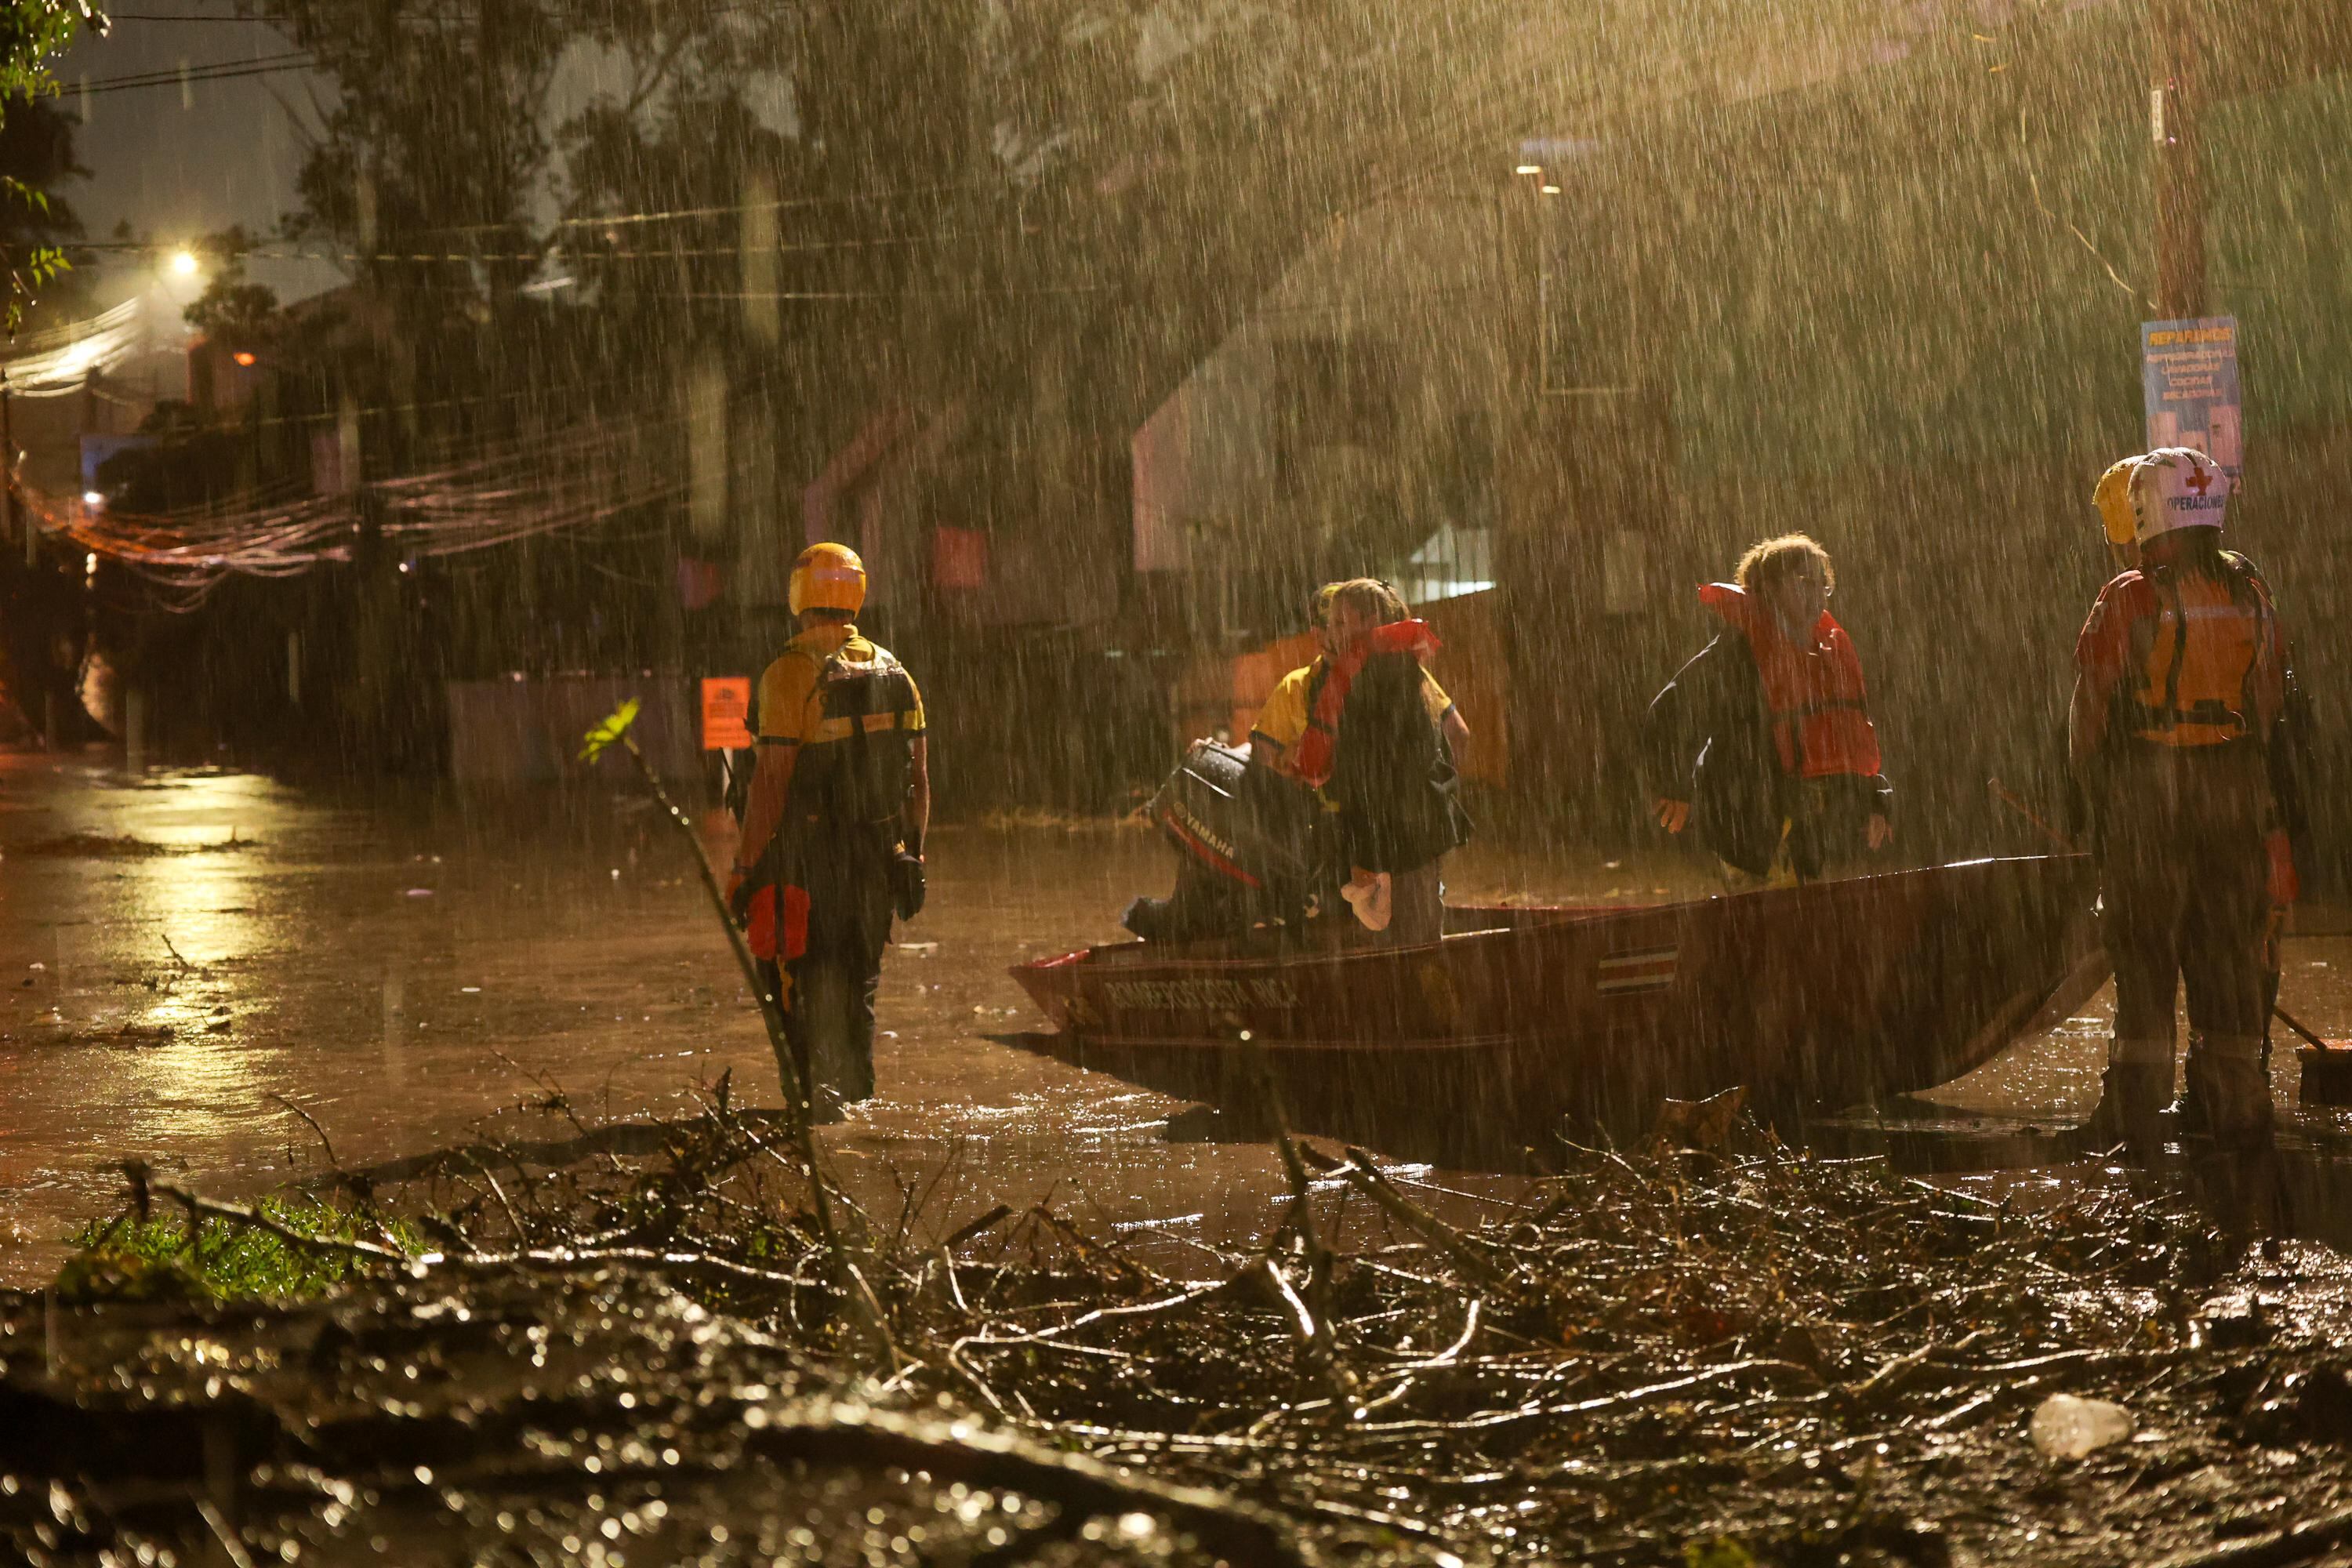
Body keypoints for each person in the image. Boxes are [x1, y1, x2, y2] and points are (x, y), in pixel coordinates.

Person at [2071, 448, 2301, 1148]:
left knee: (2144, 950)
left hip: (2151, 787)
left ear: (2148, 514)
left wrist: (2091, 804)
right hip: (2230, 785)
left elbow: (2089, 711)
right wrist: (2262, 810)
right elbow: (2266, 713)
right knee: (2226, 947)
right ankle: (2230, 1105)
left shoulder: (2130, 596)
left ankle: (2134, 1113)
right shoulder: (2250, 594)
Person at [728, 543, 929, 1118]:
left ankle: (816, 1127)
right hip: (877, 862)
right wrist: (913, 858)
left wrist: (743, 870)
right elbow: (919, 781)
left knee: (799, 987)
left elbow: (769, 785)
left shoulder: (790, 673)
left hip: (805, 867)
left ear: (799, 593)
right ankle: (859, 1114)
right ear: (856, 592)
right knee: (858, 989)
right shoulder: (897, 672)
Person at [1644, 534, 1893, 886]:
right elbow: (1667, 713)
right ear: (1770, 589)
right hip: (1748, 823)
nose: (1816, 595)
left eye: (1823, 586)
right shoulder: (1738, 652)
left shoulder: (1827, 654)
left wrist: (1875, 798)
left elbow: (1849, 736)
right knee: (1765, 929)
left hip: (1804, 829)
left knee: (1803, 930)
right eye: (1804, 583)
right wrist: (1674, 787)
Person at [1282, 578, 1472, 946]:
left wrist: (1369, 854)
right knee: (1418, 936)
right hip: (1411, 834)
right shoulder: (1392, 668)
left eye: (1340, 623)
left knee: (1408, 946)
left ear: (1370, 623)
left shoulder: (1374, 677)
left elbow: (1372, 773)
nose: (1331, 633)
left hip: (1401, 838)